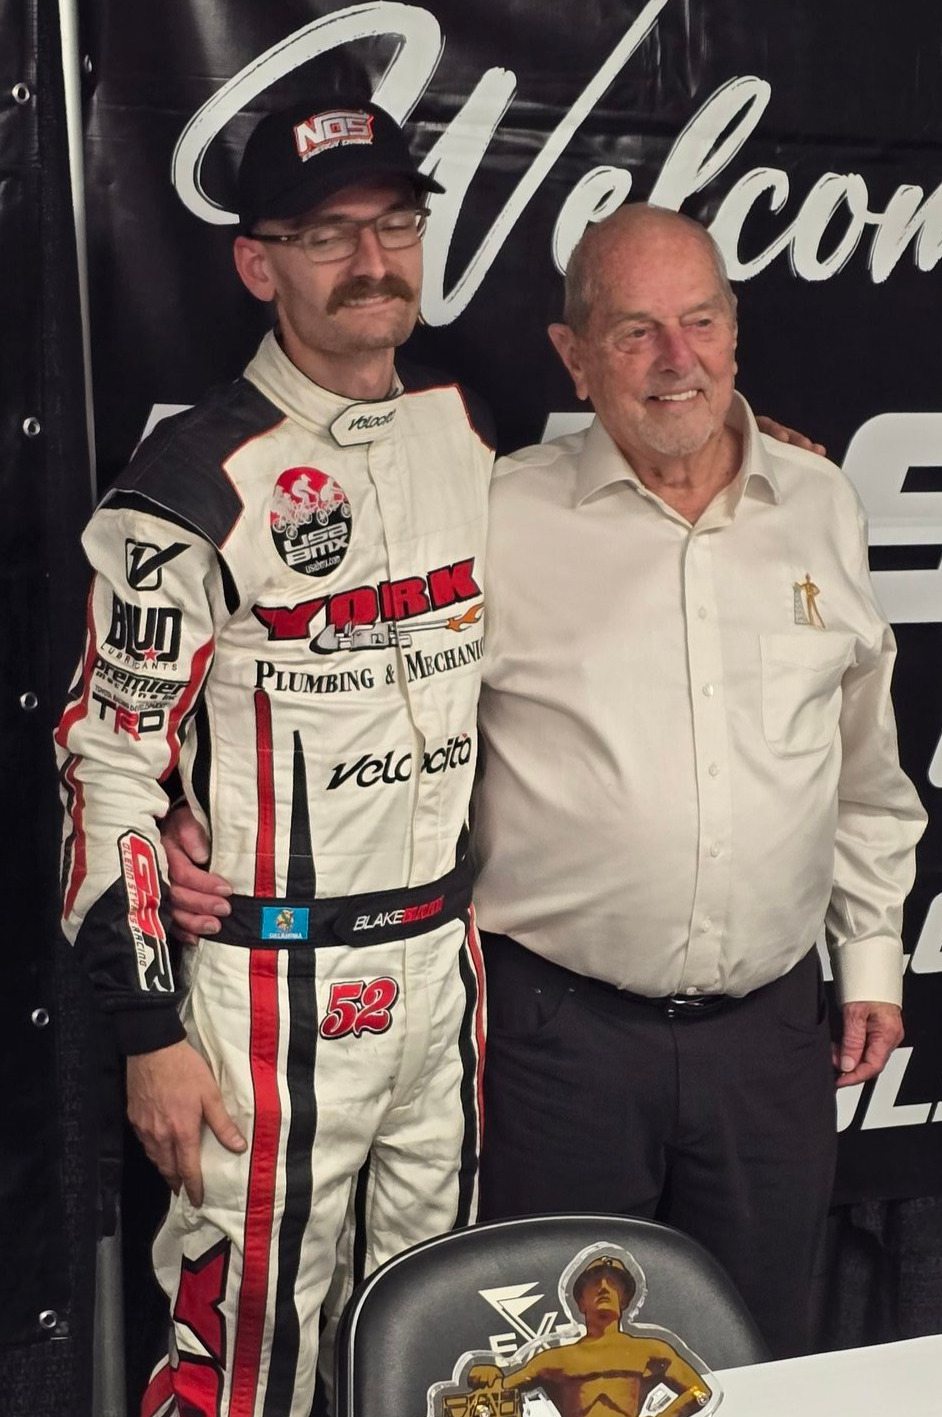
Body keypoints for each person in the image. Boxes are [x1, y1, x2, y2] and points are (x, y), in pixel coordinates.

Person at [55, 96, 492, 1416]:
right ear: (258, 263)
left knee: (442, 1353)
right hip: (259, 989)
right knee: (240, 1367)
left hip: (440, 967)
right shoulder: (187, 482)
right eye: (326, 235)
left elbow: (647, 452)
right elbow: (106, 765)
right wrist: (146, 1034)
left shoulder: (478, 425)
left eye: (395, 224)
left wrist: (753, 434)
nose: (372, 260)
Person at [471, 203, 926, 1358]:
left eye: (702, 321)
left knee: (752, 1362)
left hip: (770, 1045)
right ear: (574, 355)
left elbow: (863, 765)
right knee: (555, 1375)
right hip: (559, 1045)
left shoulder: (820, 503)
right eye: (636, 331)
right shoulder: (497, 516)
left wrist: (872, 956)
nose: (678, 359)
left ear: (735, 328)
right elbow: (379, 731)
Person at [465, 1254, 711, 1417]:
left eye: (613, 1283)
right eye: (594, 1284)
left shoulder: (649, 1351)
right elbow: (500, 1389)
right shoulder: (555, 1359)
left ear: (624, 1299)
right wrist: (490, 1373)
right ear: (581, 1302)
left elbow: (699, 1391)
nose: (603, 1288)